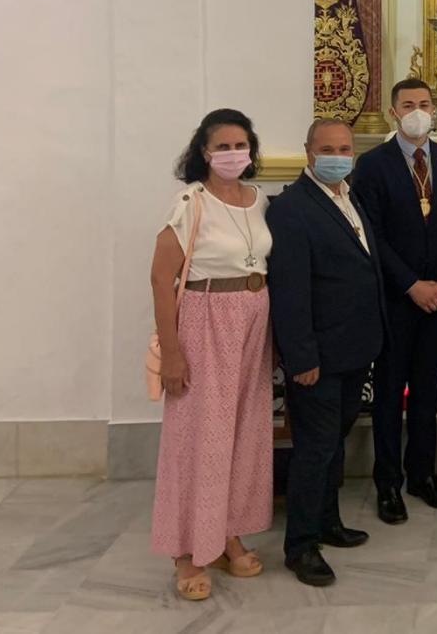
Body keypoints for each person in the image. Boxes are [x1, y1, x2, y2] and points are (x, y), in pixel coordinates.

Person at [149, 108, 274, 602]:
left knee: (244, 433)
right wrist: (174, 352)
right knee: (199, 437)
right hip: (205, 321)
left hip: (253, 322)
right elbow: (162, 279)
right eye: (221, 146)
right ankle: (186, 550)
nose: (231, 154)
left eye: (239, 145)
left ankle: (226, 534)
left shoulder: (260, 202)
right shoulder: (189, 202)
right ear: (203, 151)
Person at [267, 119, 386, 587]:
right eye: (327, 148)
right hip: (318, 357)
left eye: (344, 147)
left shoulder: (347, 196)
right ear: (308, 152)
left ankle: (328, 521)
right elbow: (291, 292)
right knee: (314, 449)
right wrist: (302, 360)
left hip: (354, 349)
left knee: (333, 442)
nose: (338, 154)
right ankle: (300, 545)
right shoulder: (293, 209)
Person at [352, 78, 437, 526]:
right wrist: (410, 285)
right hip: (397, 299)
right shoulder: (373, 164)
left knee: (427, 390)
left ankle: (424, 474)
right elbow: (372, 234)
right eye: (409, 104)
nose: (418, 111)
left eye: (424, 103)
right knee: (389, 393)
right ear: (393, 112)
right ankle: (388, 483)